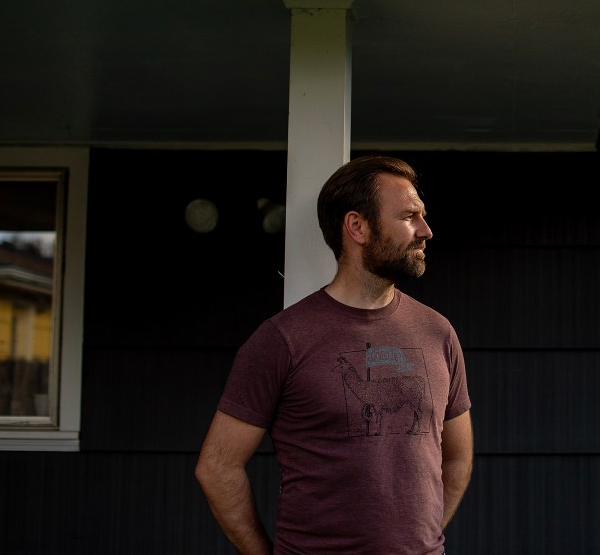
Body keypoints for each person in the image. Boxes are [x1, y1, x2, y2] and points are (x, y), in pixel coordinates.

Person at [195, 155, 472, 555]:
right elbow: (217, 467)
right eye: (408, 216)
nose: (425, 231)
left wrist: (421, 541)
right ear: (357, 227)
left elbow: (457, 459)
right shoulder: (282, 340)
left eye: (423, 217)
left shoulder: (437, 332)